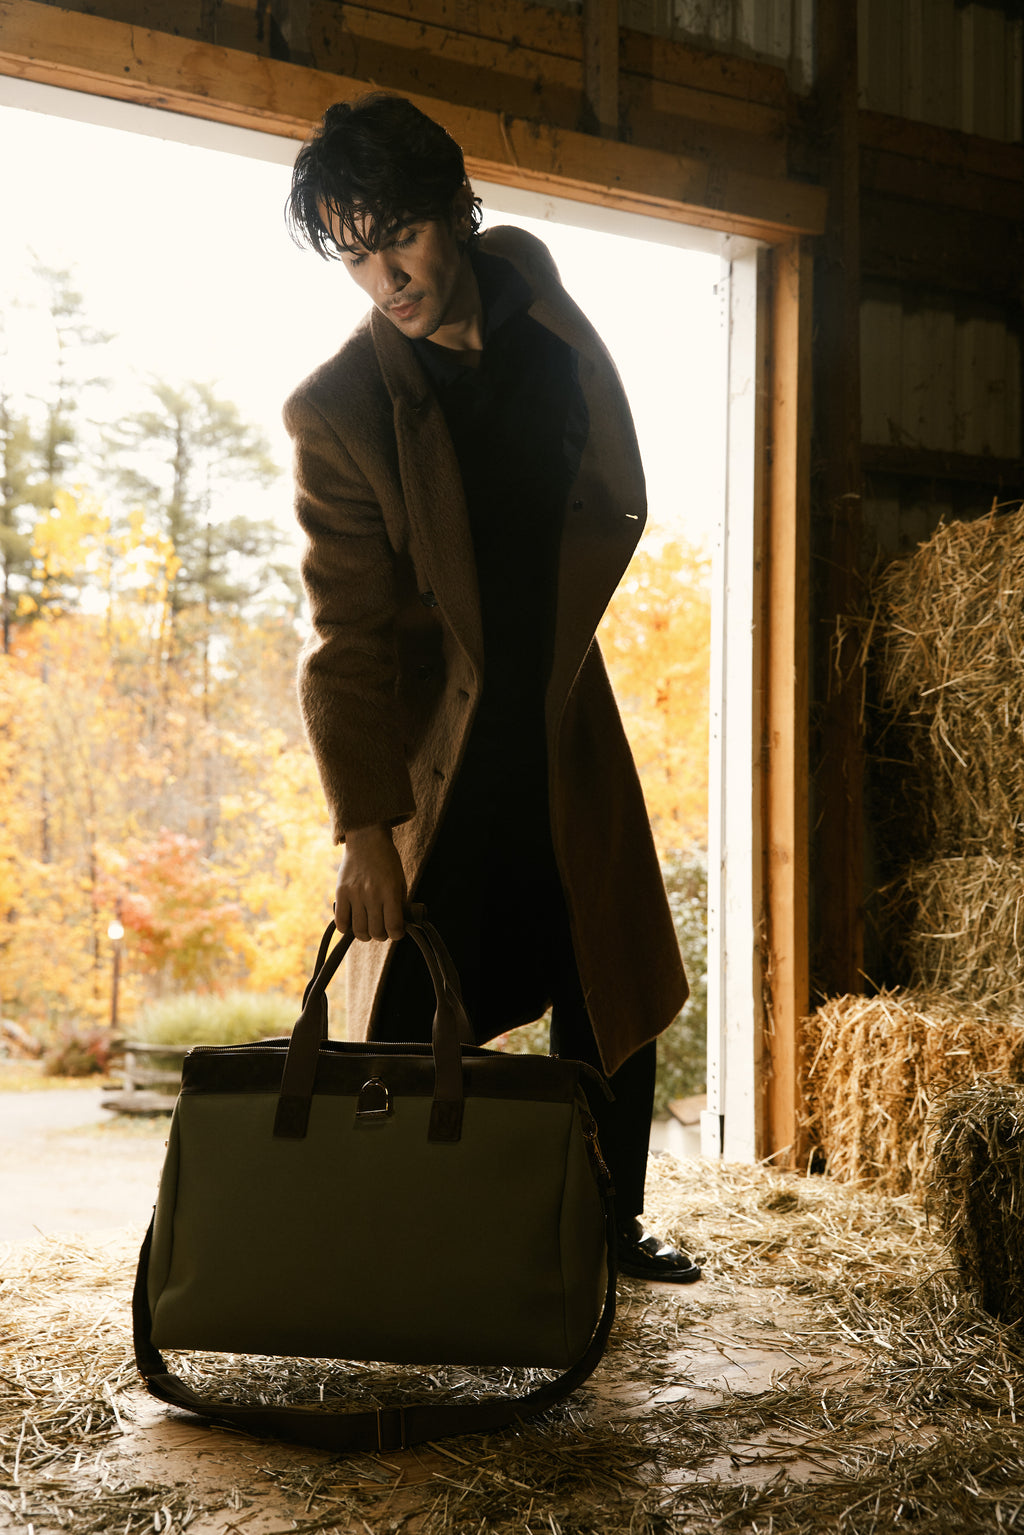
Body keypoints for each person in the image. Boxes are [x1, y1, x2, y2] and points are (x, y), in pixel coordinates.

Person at [283, 93, 700, 1283]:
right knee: (416, 995)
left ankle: (609, 1225)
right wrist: (365, 826)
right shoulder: (340, 409)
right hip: (443, 739)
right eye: (353, 255)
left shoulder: (531, 289)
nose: (384, 278)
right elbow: (346, 632)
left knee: (602, 964)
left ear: (453, 212)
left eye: (398, 236)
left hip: (565, 709)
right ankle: (405, 1234)